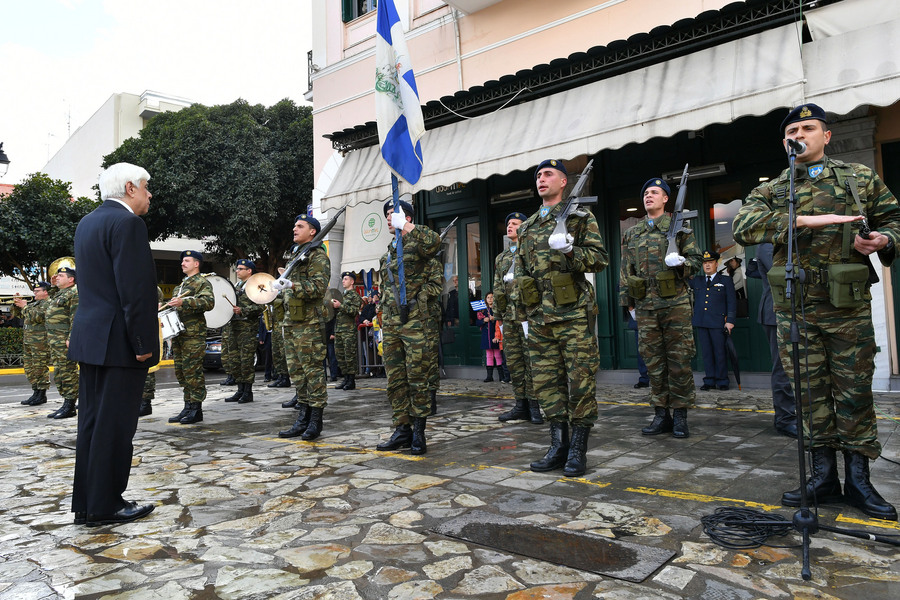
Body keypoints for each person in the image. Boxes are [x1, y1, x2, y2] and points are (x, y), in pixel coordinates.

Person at [733, 103, 899, 521]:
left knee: (854, 393)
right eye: (793, 130)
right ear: (785, 141)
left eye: (809, 127)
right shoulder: (771, 189)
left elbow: (894, 219)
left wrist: (881, 239)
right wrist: (803, 220)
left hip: (847, 307)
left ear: (826, 136)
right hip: (799, 309)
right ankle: (822, 476)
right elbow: (744, 227)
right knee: (809, 394)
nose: (799, 134)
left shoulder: (857, 178)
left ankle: (859, 481)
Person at [68, 162, 159, 526]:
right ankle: (107, 505)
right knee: (116, 427)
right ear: (130, 187)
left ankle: (88, 503)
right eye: (147, 187)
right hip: (119, 342)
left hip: (92, 339)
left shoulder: (87, 222)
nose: (150, 195)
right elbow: (134, 292)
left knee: (91, 424)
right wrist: (143, 343)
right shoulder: (128, 224)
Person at [518, 159, 608, 477]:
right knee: (546, 385)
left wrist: (571, 251)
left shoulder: (580, 217)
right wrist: (522, 315)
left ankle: (578, 451)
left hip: (573, 316)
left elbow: (599, 259)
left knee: (580, 383)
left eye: (548, 175)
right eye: (538, 175)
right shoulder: (527, 227)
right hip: (540, 318)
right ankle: (558, 447)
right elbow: (522, 272)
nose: (541, 179)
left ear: (563, 182)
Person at [620, 177, 702, 438]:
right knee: (653, 362)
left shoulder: (679, 228)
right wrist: (628, 305)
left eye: (654, 192)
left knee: (678, 361)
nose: (648, 196)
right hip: (645, 307)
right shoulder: (633, 232)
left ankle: (680, 416)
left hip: (675, 303)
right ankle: (660, 414)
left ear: (666, 199)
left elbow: (697, 262)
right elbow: (626, 270)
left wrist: (682, 264)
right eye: (645, 193)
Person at [375, 199, 441, 455]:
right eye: (388, 215)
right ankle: (402, 428)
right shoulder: (387, 253)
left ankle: (419, 432)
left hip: (415, 321)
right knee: (395, 379)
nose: (390, 218)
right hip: (391, 322)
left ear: (408, 218)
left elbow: (434, 242)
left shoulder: (419, 244)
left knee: (417, 377)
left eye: (396, 214)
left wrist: (410, 228)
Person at [274, 214, 331, 440]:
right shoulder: (296, 256)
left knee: (313, 372)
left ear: (313, 232)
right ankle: (303, 416)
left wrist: (292, 284)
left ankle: (316, 420)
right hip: (292, 322)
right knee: (298, 373)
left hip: (309, 324)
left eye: (300, 226)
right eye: (294, 225)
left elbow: (318, 288)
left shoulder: (317, 256)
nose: (294, 229)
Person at [493, 211, 542, 424]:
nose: (510, 226)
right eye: (508, 223)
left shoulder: (531, 253)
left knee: (532, 361)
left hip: (528, 317)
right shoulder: (501, 258)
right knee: (514, 362)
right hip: (509, 318)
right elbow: (497, 287)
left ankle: (534, 406)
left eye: (515, 223)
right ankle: (520, 404)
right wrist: (499, 318)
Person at [746, 243, 798, 438]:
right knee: (784, 367)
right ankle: (785, 419)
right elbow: (782, 273)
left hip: (796, 312)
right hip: (775, 313)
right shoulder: (768, 244)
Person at [166, 251, 214, 425]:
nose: (182, 263)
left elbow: (208, 303)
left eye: (187, 260)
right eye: (182, 261)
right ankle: (187, 406)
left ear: (196, 264)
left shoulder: (202, 282)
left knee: (193, 371)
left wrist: (183, 302)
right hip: (180, 334)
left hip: (193, 335)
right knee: (181, 371)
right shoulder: (180, 286)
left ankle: (196, 409)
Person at [688, 250, 736, 391]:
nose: (707, 266)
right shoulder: (697, 281)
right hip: (701, 322)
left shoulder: (725, 280)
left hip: (718, 322)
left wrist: (730, 320)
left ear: (716, 263)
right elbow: (682, 277)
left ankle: (722, 381)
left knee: (720, 352)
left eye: (710, 262)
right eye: (704, 263)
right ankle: (709, 380)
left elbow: (732, 302)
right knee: (707, 353)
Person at [223, 259, 264, 404]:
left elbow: (261, 307)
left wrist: (244, 310)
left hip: (247, 328)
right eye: (237, 269)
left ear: (249, 271)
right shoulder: (236, 285)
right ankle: (239, 390)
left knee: (246, 360)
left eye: (241, 269)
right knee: (234, 360)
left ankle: (248, 391)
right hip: (234, 328)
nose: (237, 271)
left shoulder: (255, 286)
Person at [45, 266, 80, 419]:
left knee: (67, 371)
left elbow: (76, 316)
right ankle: (66, 402)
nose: (57, 277)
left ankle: (70, 405)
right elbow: (54, 303)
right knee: (59, 372)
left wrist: (71, 337)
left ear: (71, 279)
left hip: (63, 339)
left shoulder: (75, 292)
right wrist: (53, 285)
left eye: (61, 275)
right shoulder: (63, 293)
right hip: (55, 339)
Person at [12, 282, 51, 406]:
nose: (35, 293)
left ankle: (42, 394)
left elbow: (38, 317)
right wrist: (17, 304)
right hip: (29, 340)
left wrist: (25, 306)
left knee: (39, 367)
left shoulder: (49, 304)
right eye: (34, 291)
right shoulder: (34, 304)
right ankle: (35, 391)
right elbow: (19, 315)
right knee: (30, 368)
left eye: (38, 291)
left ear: (46, 292)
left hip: (40, 341)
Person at [333, 271, 362, 390]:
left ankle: (351, 380)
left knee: (349, 355)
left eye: (346, 279)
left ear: (352, 281)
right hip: (339, 329)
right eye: (343, 279)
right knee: (341, 356)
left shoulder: (355, 296)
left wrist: (340, 306)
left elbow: (354, 311)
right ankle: (345, 378)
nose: (343, 281)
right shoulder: (342, 295)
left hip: (348, 330)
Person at [476, 292, 507, 383]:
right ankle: (489, 376)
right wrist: (483, 320)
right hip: (486, 336)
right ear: (485, 299)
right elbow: (477, 323)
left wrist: (495, 318)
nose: (490, 299)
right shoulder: (483, 311)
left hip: (496, 335)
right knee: (489, 356)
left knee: (498, 355)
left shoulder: (496, 310)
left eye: (492, 297)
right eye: (488, 297)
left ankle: (502, 376)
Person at [625, 308, 650, 389]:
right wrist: (632, 310)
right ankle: (644, 379)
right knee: (642, 351)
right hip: (642, 315)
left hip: (664, 313)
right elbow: (626, 296)